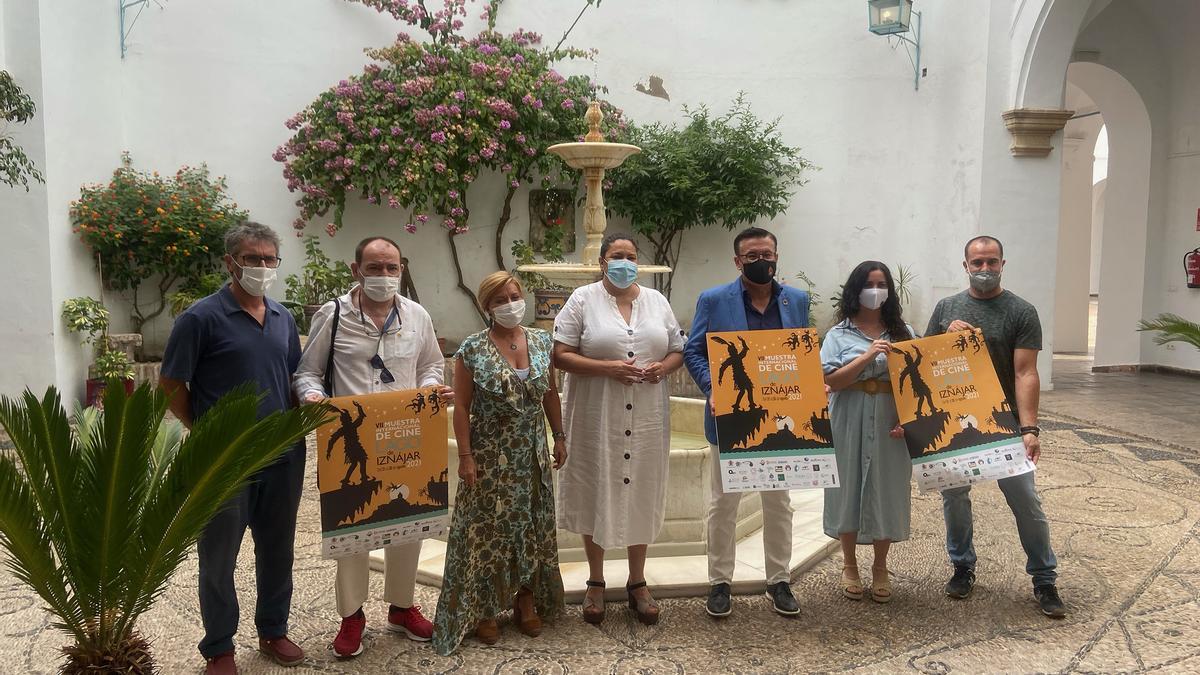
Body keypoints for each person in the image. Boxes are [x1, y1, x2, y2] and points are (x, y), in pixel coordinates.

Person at [292, 236, 453, 659]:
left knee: (407, 517)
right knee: (354, 525)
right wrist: (311, 397)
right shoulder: (335, 315)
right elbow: (307, 372)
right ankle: (352, 616)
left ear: (401, 270)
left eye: (391, 268)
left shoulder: (417, 315)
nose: (384, 276)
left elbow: (431, 365)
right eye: (375, 267)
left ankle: (402, 607)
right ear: (355, 270)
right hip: (353, 438)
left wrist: (432, 389)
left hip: (406, 435)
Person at [159, 221, 306, 675]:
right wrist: (206, 430)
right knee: (219, 554)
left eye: (269, 259)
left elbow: (297, 379)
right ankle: (220, 647)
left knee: (278, 548)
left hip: (283, 455)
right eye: (252, 258)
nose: (262, 267)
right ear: (230, 262)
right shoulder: (200, 318)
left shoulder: (283, 318)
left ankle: (273, 630)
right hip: (225, 460)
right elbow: (170, 384)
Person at [925, 235, 1067, 619]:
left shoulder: (1021, 311)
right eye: (977, 263)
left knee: (1025, 501)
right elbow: (926, 365)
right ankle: (962, 566)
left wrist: (1030, 428)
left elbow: (1026, 372)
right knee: (954, 498)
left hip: (1004, 425)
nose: (984, 270)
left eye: (992, 262)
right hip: (957, 423)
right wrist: (945, 340)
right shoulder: (946, 309)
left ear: (1003, 264)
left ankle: (1044, 577)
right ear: (965, 266)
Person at [553, 233, 686, 626]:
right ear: (602, 262)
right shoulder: (582, 300)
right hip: (597, 413)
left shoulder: (657, 302)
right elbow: (559, 355)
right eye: (616, 256)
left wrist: (664, 367)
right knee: (597, 486)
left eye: (630, 256)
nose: (624, 262)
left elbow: (678, 347)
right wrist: (608, 369)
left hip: (646, 414)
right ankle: (596, 581)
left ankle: (637, 582)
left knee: (641, 487)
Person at [432, 271, 567, 653]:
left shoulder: (541, 341)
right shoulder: (472, 349)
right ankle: (487, 606)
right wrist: (466, 456)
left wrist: (560, 436)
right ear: (486, 307)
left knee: (530, 524)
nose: (510, 304)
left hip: (532, 453)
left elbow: (550, 394)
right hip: (490, 454)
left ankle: (525, 597)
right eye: (500, 299)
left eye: (514, 295)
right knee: (488, 531)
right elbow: (462, 407)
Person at [683, 226, 810, 619]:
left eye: (766, 254)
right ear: (738, 261)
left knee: (779, 503)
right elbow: (694, 350)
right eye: (752, 256)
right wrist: (712, 388)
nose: (761, 262)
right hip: (731, 417)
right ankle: (720, 582)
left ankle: (779, 580)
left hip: (781, 419)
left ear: (777, 256)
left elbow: (801, 352)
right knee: (723, 504)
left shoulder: (797, 300)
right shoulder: (714, 300)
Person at [820, 261, 914, 604]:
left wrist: (910, 420)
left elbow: (914, 382)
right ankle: (849, 564)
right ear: (855, 290)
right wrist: (868, 356)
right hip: (849, 414)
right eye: (869, 283)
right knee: (847, 487)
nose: (876, 290)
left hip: (890, 418)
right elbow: (832, 380)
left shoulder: (905, 333)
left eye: (882, 283)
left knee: (886, 487)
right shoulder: (838, 335)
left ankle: (880, 566)